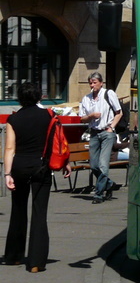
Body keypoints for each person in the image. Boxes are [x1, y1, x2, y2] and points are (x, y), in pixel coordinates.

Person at [4, 82, 70, 272]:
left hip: (19, 167)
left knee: (18, 210)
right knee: (39, 213)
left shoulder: (14, 119)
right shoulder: (49, 116)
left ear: (20, 98)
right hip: (41, 166)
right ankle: (36, 262)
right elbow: (57, 143)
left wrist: (8, 174)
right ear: (39, 97)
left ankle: (13, 256)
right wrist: (65, 162)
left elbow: (10, 148)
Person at [80, 72, 123, 204]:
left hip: (107, 132)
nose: (92, 85)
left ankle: (98, 194)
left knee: (103, 164)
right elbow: (82, 118)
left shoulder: (108, 94)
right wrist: (91, 116)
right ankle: (108, 184)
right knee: (93, 165)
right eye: (90, 83)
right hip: (94, 132)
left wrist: (112, 127)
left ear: (101, 83)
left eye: (95, 82)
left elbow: (119, 112)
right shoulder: (86, 99)